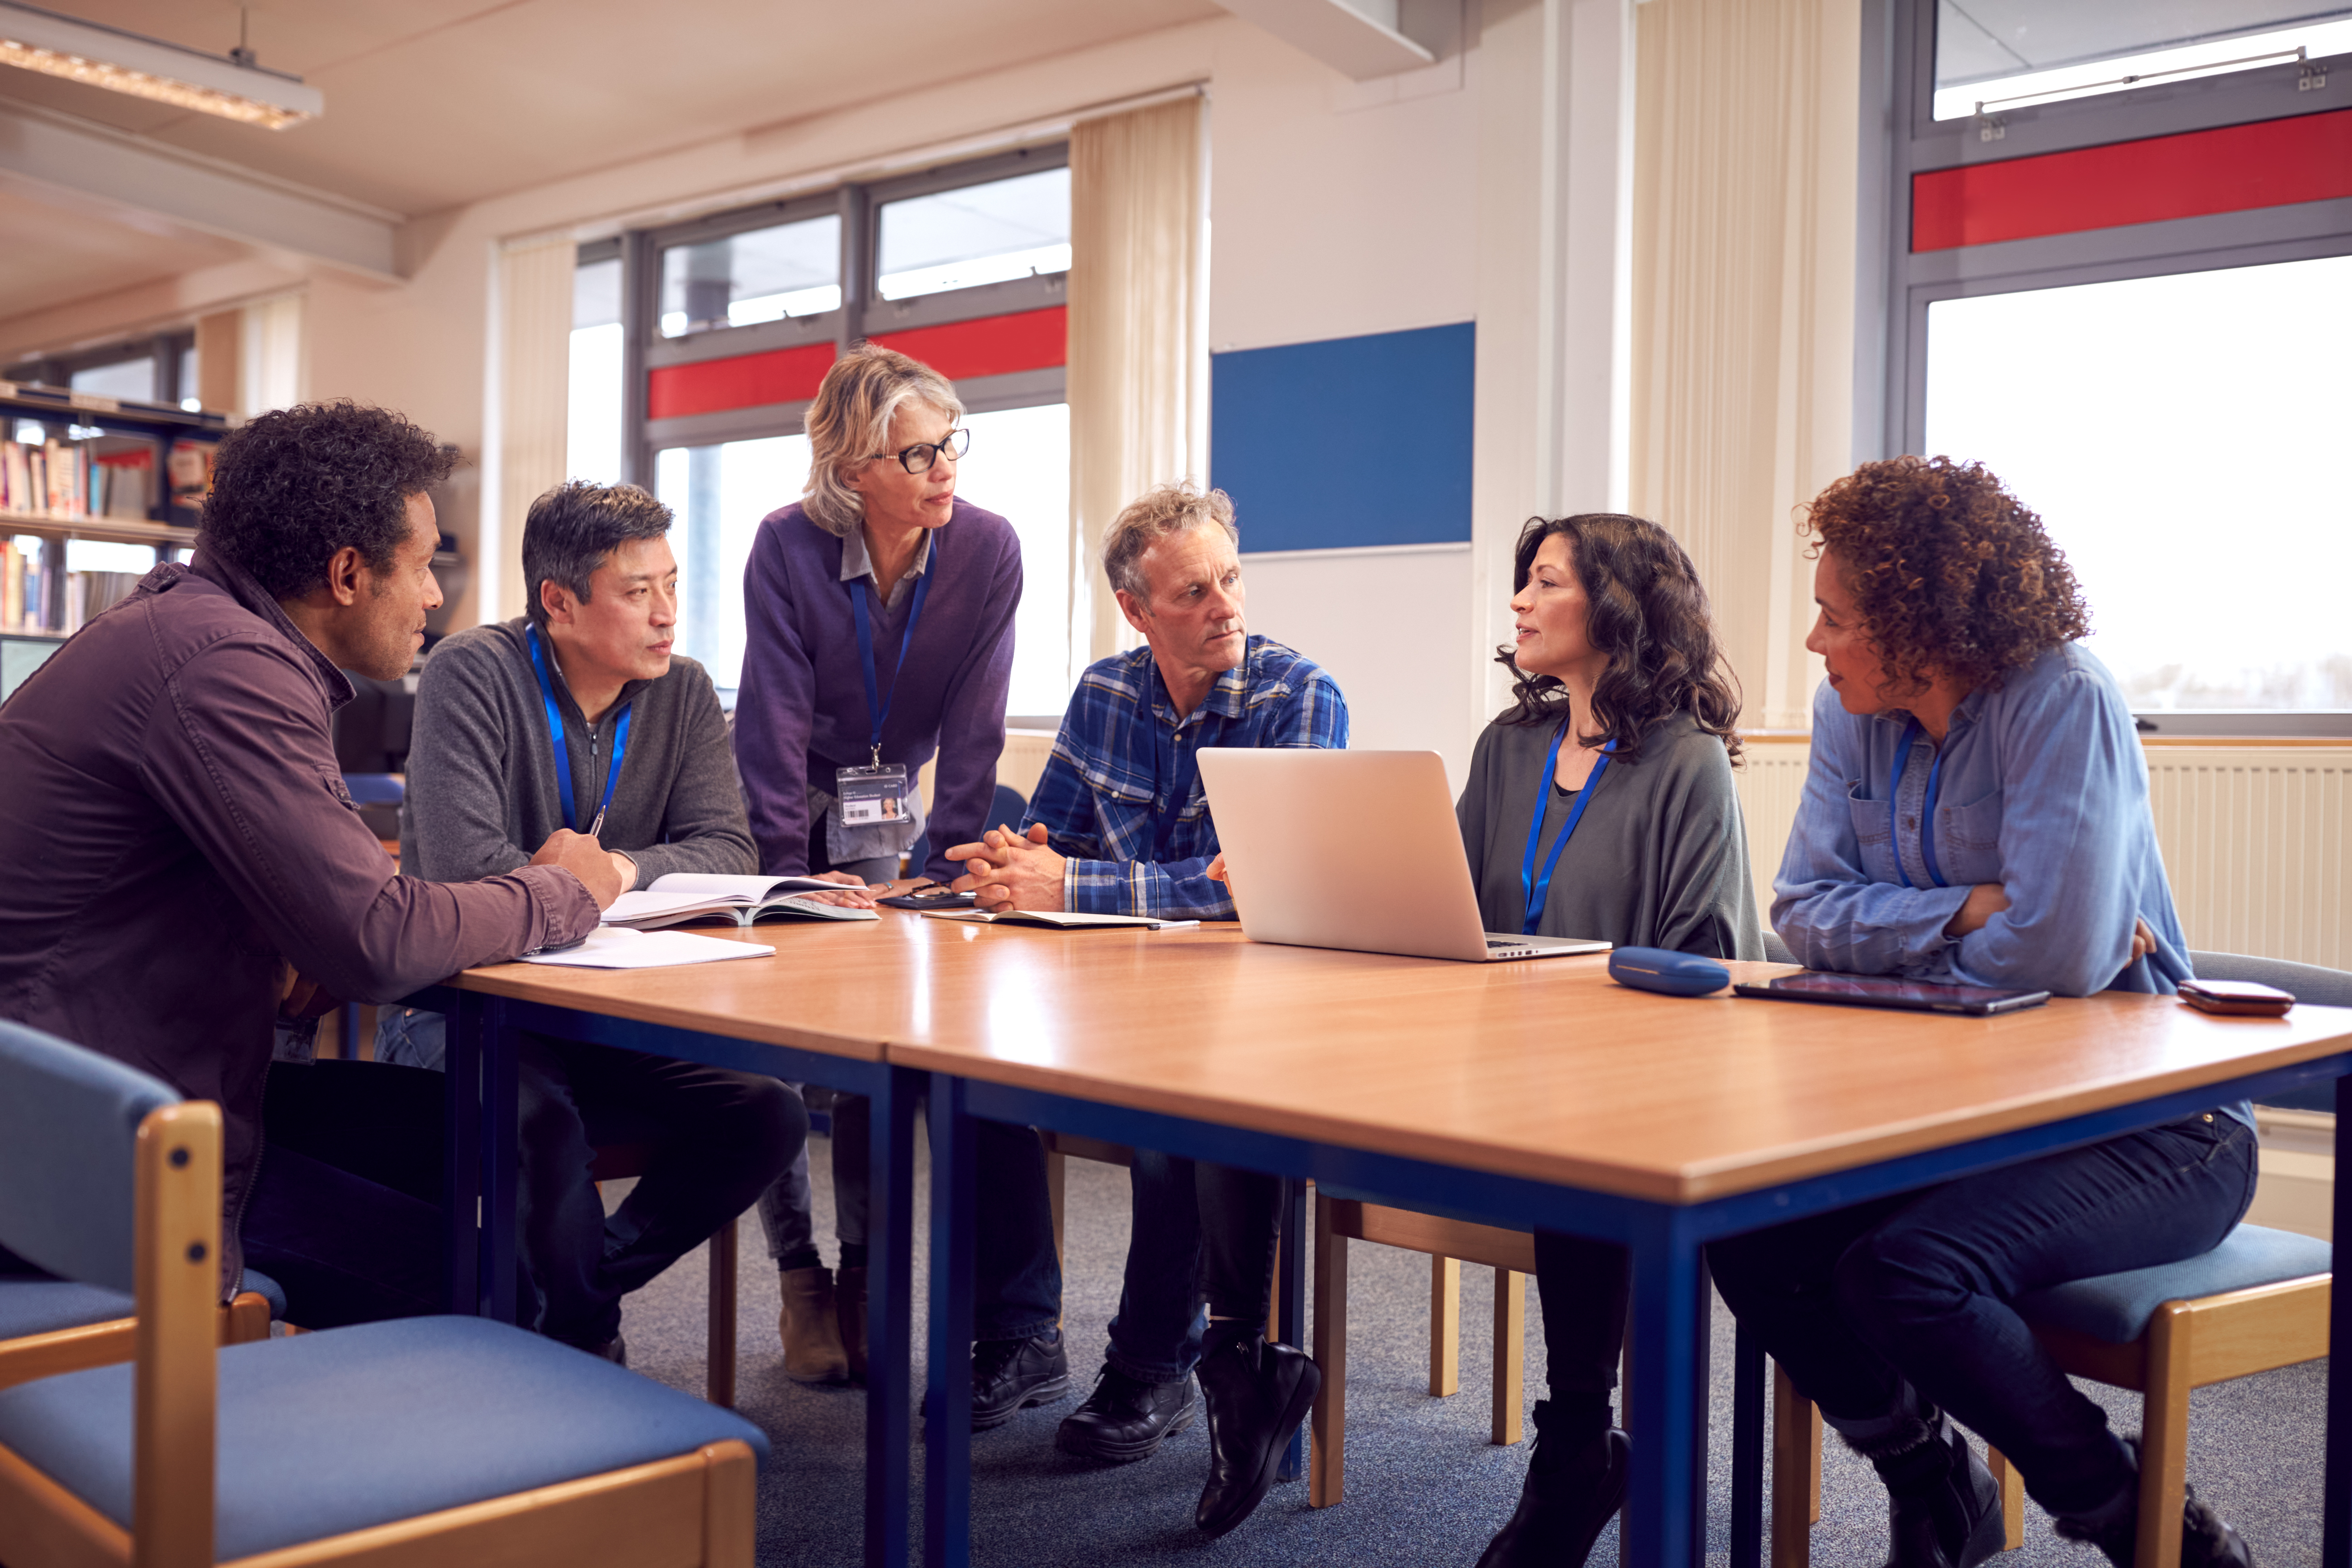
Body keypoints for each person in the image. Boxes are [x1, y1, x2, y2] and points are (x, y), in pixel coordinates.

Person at [1708, 456, 2254, 1568]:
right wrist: (1973, 913)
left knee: (1901, 1273)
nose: (1815, 642)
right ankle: (1930, 1477)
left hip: (2158, 1132)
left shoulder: (2062, 696)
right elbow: (1800, 913)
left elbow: (2065, 952)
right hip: (1963, 1110)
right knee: (1750, 1238)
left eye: (1835, 616)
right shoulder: (1848, 712)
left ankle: (2137, 1520)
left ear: (1922, 622)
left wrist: (1926, 934)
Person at [0, 401, 616, 1328]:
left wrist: (298, 938)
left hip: (99, 1092)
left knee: (500, 1139)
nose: (435, 598)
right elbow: (375, 937)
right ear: (346, 574)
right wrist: (562, 891)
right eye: (423, 567)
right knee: (492, 1281)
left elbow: (328, 911)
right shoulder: (226, 668)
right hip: (82, 1156)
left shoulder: (184, 630)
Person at [952, 481, 1348, 1538]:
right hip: (1118, 991)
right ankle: (1019, 1332)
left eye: (1231, 579)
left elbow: (1251, 887)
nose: (1225, 606)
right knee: (967, 1071)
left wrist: (1073, 887)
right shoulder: (1107, 692)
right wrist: (1017, 862)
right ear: (1138, 611)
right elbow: (1056, 841)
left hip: (1252, 1017)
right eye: (1194, 592)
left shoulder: (1301, 700)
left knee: (1183, 1112)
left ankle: (1152, 1366)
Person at [387, 480, 804, 1359]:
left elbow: (730, 850)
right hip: (463, 1004)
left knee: (765, 1114)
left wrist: (613, 871)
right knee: (542, 1129)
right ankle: (582, 1343)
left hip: (608, 1007)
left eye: (672, 586)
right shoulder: (472, 672)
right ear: (559, 603)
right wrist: (599, 888)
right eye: (637, 592)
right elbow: (465, 869)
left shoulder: (683, 692)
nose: (667, 616)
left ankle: (560, 1295)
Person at [1453, 513, 1763, 1568]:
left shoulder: (1687, 763)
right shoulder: (1508, 749)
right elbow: (1445, 908)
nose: (1521, 604)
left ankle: (1577, 1444)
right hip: (1506, 1065)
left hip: (1646, 1087)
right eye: (1524, 583)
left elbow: (1707, 957)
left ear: (1617, 606)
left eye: (1545, 583)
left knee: (1580, 1149)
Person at [733, 344, 1044, 1389]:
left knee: (874, 1047)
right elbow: (771, 717)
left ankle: (866, 1276)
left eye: (951, 442)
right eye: (917, 454)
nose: (944, 468)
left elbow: (979, 717)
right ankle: (800, 1277)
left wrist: (949, 864)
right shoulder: (785, 545)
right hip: (785, 795)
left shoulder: (989, 548)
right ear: (853, 467)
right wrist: (787, 875)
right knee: (775, 1051)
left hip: (891, 807)